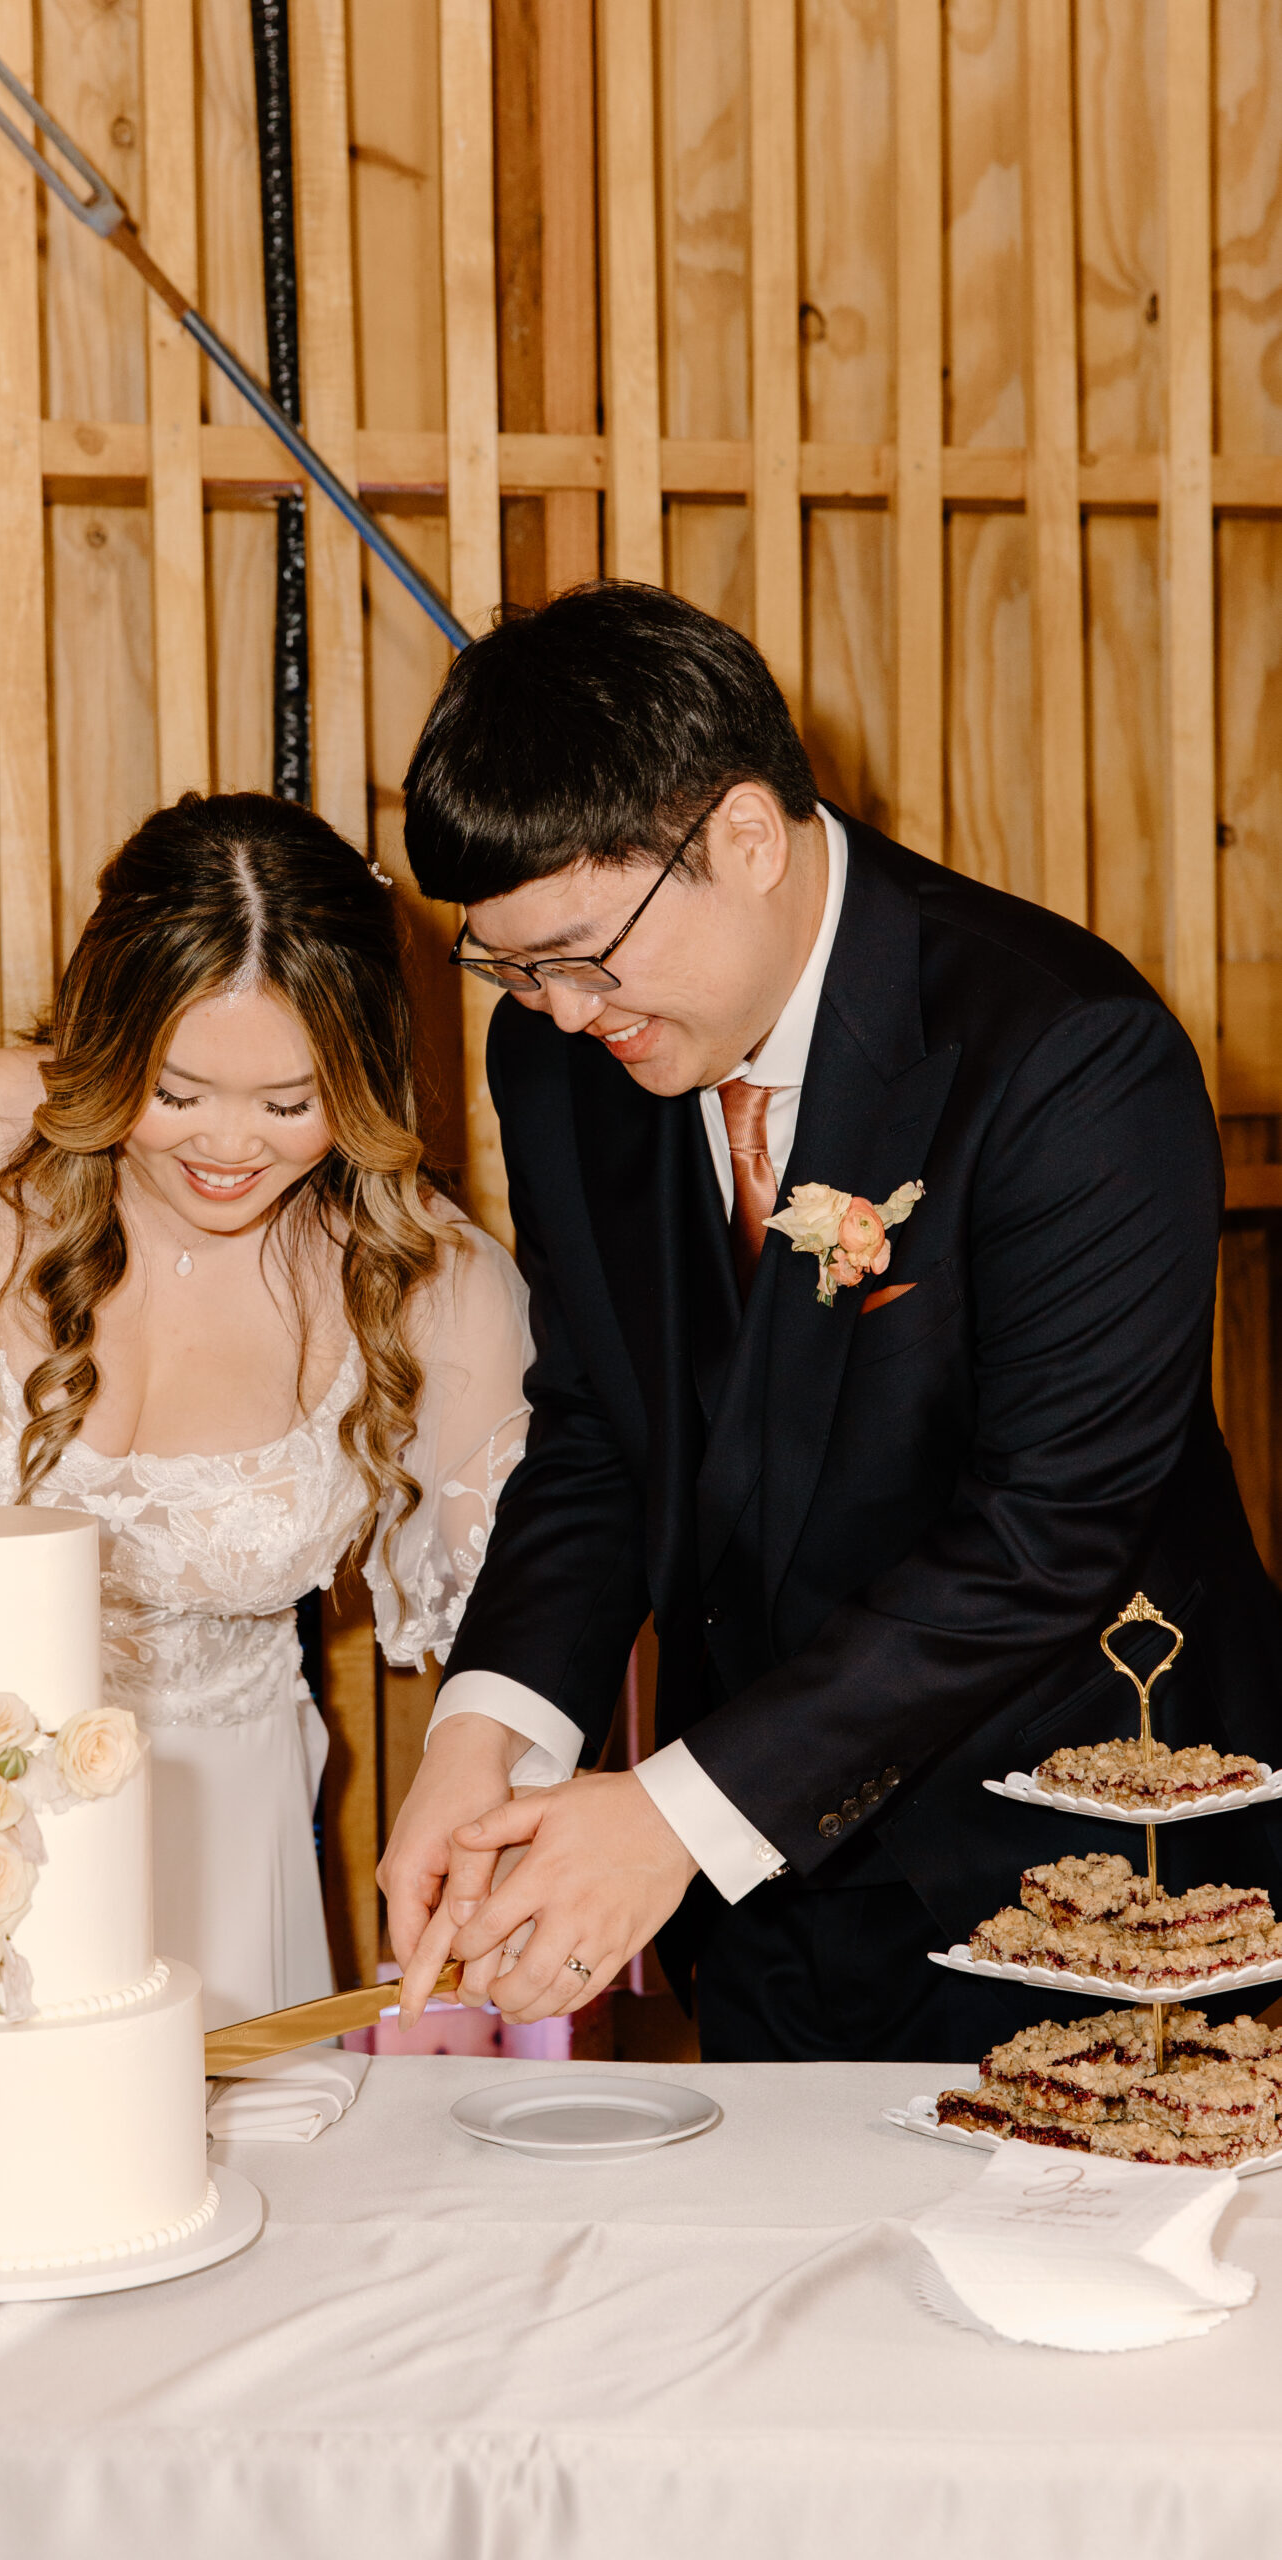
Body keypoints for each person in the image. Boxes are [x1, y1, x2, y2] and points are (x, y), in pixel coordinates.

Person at [379, 581, 1282, 2063]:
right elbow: (602, 1426)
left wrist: (671, 1815)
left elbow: (1042, 1534)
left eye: (583, 953)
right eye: (509, 966)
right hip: (763, 1900)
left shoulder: (1062, 1052)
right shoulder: (557, 1060)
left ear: (740, 834)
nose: (553, 1011)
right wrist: (487, 1734)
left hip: (1074, 1879)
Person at [0, 793, 530, 2045]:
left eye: (293, 1103)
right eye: (176, 1091)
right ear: (107, 1036)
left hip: (204, 1834)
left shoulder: (431, 1281)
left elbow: (515, 1641)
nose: (229, 1146)